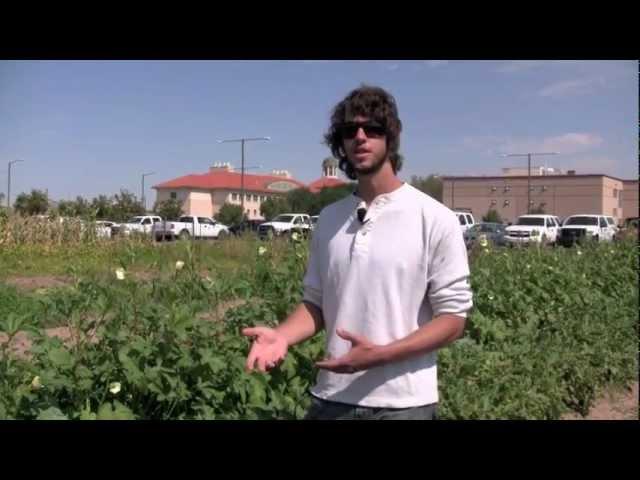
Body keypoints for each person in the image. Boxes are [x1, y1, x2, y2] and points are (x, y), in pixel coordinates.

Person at [242, 85, 473, 420]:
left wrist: (379, 356)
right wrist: (281, 336)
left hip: (404, 405)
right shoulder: (329, 219)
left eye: (373, 129)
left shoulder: (434, 218)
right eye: (350, 131)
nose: (360, 137)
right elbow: (317, 303)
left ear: (390, 139)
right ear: (341, 144)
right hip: (332, 398)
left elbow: (453, 320)